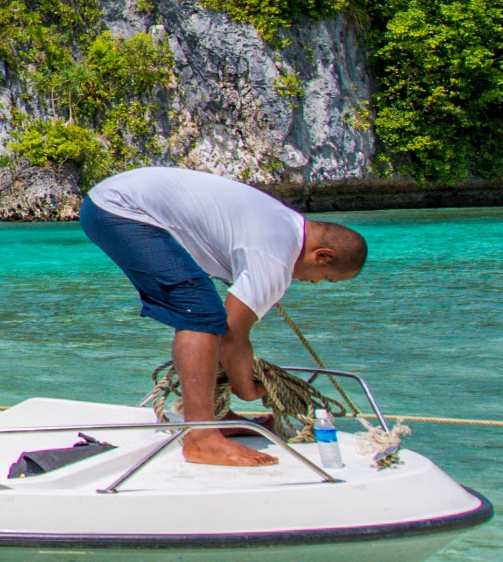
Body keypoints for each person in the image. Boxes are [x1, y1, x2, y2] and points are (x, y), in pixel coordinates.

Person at [79, 165, 369, 468]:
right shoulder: (277, 255)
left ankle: (216, 419)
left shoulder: (285, 224)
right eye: (327, 278)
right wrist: (246, 389)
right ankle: (201, 438)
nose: (315, 283)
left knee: (206, 310)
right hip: (120, 210)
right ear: (322, 256)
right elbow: (232, 333)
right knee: (200, 312)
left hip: (114, 199)